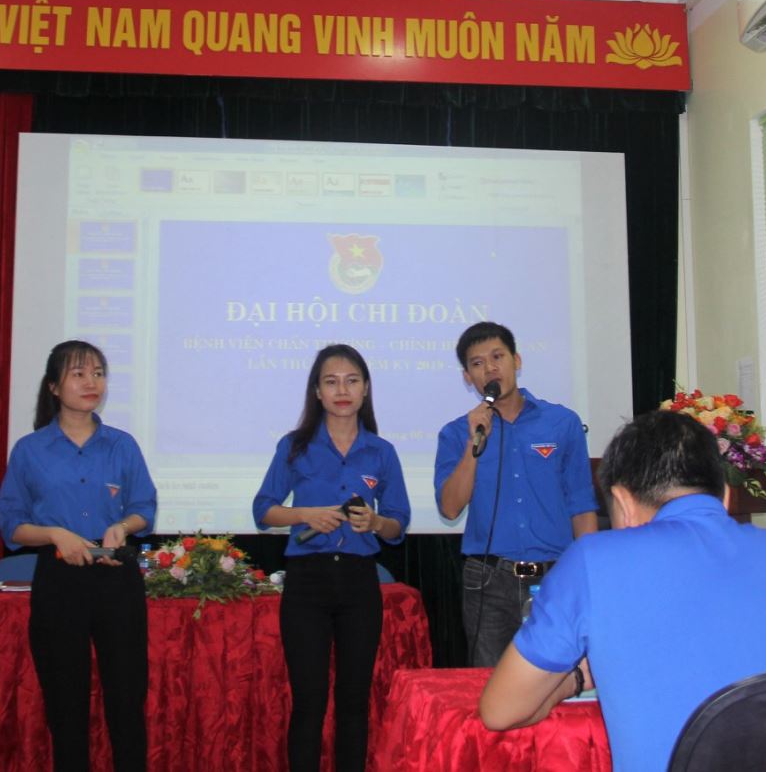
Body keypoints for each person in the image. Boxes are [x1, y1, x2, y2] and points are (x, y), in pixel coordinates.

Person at [479, 409, 766, 772]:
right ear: (725, 497)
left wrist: (575, 680)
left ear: (623, 502)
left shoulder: (594, 559)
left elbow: (500, 710)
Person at [0, 341, 156, 772]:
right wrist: (54, 534)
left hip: (116, 575)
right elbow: (12, 525)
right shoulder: (30, 450)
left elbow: (144, 508)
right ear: (53, 386)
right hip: (59, 578)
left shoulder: (122, 445)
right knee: (65, 702)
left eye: (98, 373)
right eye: (79, 374)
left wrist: (122, 527)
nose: (91, 383)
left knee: (126, 698)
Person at [253, 344, 410, 772]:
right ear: (317, 391)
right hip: (307, 583)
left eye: (352, 381)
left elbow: (398, 524)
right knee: (309, 703)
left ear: (366, 389)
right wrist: (304, 515)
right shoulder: (295, 446)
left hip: (360, 583)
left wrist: (375, 523)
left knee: (354, 703)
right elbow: (263, 510)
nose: (342, 390)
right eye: (331, 381)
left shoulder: (381, 451)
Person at [433, 321, 597, 666]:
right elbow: (449, 508)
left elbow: (581, 505)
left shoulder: (562, 422)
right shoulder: (456, 433)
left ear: (516, 361)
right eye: (478, 363)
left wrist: (589, 571)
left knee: (561, 676)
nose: (490, 369)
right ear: (467, 377)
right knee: (490, 682)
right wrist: (473, 443)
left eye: (498, 357)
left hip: (555, 576)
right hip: (488, 581)